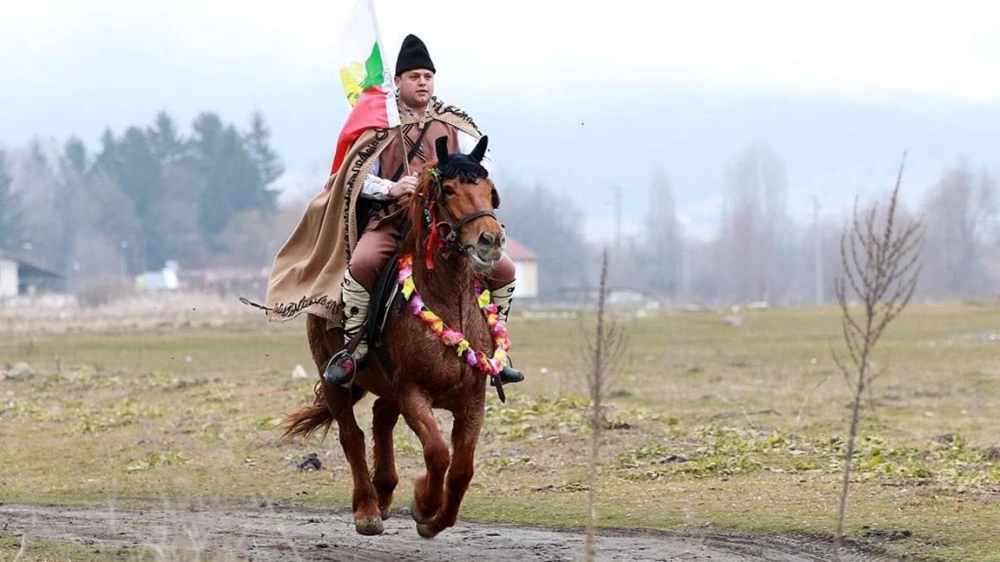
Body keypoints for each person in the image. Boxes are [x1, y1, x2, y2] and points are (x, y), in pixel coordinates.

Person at [264, 34, 524, 389]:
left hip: (442, 224)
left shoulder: (452, 121)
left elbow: (483, 161)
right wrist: (392, 187)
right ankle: (355, 348)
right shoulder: (378, 123)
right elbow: (354, 178)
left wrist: (464, 174)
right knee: (363, 264)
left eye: (427, 76)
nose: (422, 82)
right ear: (398, 81)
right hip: (391, 219)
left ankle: (496, 348)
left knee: (505, 268)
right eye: (414, 76)